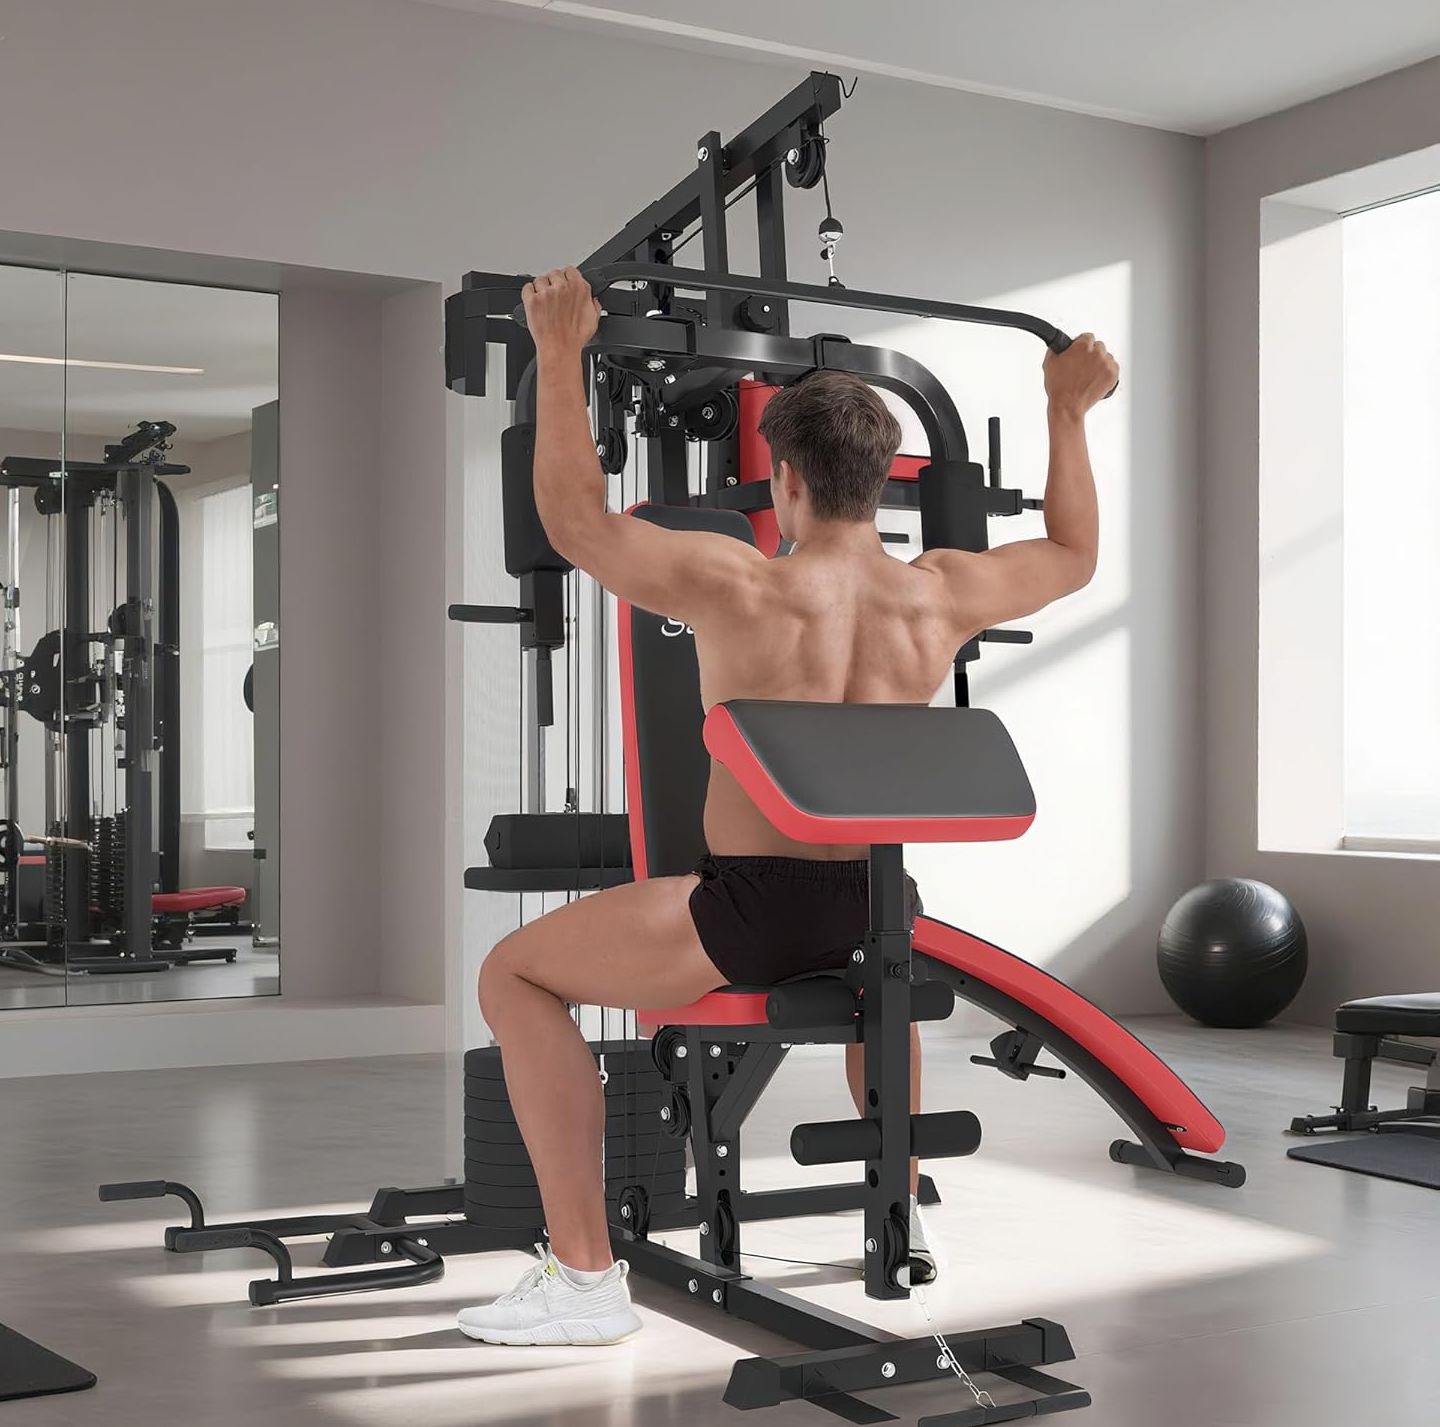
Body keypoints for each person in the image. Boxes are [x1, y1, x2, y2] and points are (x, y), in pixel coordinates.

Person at [457, 268, 1119, 1346]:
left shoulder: (740, 582)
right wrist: (1064, 408)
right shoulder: (942, 591)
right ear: (882, 479)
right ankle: (899, 1219)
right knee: (885, 979)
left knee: (512, 973)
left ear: (789, 480)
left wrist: (564, 348)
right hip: (873, 901)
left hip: (753, 910)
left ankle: (581, 1282)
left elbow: (574, 523)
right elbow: (1074, 553)